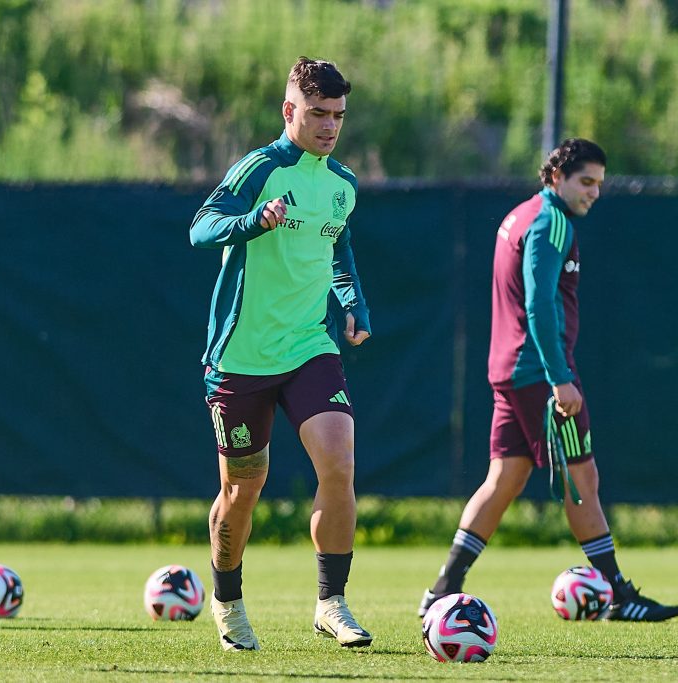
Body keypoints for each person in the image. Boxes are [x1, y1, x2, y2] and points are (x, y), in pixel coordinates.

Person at [418, 138, 678, 622]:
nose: (594, 192)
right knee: (583, 480)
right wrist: (560, 378)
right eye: (586, 182)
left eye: (599, 184)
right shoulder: (551, 222)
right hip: (539, 374)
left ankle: (442, 589)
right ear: (557, 176)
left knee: (505, 478)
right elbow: (537, 304)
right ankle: (618, 595)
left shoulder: (519, 215)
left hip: (509, 369)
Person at [189, 56, 373, 651]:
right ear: (289, 110)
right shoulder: (261, 168)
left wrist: (352, 301)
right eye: (318, 113)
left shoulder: (342, 184)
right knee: (242, 489)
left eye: (338, 115)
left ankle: (332, 603)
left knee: (339, 463)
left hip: (309, 346)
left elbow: (338, 250)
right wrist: (252, 221)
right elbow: (201, 227)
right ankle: (227, 601)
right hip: (241, 356)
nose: (329, 126)